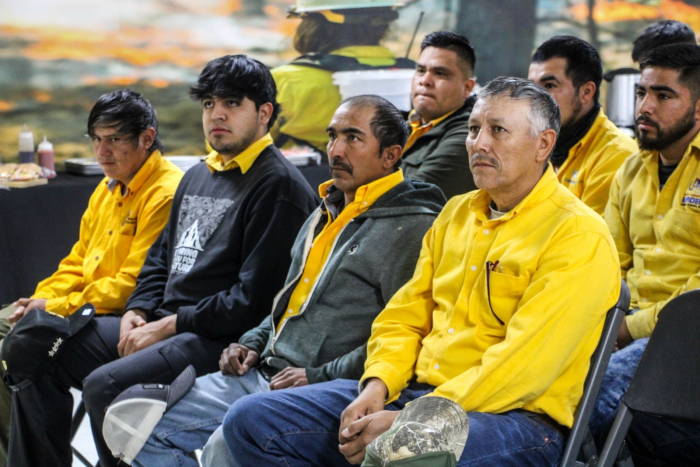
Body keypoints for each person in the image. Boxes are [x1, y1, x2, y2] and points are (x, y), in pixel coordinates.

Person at [220, 77, 622, 467]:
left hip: (515, 419)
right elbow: (404, 317)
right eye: (473, 129)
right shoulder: (456, 213)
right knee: (251, 420)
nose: (479, 144)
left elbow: (523, 369)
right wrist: (376, 385)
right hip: (414, 393)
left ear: (544, 144)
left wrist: (411, 419)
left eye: (498, 130)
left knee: (400, 450)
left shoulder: (577, 234)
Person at [7, 55, 318, 467]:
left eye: (231, 103)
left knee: (105, 388)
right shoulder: (199, 174)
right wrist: (137, 310)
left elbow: (253, 303)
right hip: (164, 322)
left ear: (264, 114)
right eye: (209, 104)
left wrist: (169, 325)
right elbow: (158, 261)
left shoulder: (278, 185)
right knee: (32, 346)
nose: (217, 115)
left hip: (215, 339)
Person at [123, 95, 446, 467]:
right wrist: (251, 341)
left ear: (390, 155)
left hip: (329, 387)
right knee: (134, 425)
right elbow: (289, 304)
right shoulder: (325, 211)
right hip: (265, 370)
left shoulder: (413, 227)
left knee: (223, 445)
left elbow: (407, 335)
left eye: (353, 138)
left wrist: (317, 375)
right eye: (332, 136)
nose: (336, 150)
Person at [0, 89, 184, 466]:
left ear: (147, 138)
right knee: (11, 330)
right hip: (90, 308)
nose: (102, 152)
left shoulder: (164, 192)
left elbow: (132, 286)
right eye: (97, 140)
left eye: (114, 139)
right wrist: (39, 301)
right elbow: (77, 261)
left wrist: (54, 307)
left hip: (134, 316)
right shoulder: (107, 186)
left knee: (26, 347)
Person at [590, 43, 700, 465]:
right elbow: (607, 261)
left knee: (592, 396)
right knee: (541, 375)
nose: (645, 107)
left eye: (663, 95)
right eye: (641, 92)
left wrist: (628, 328)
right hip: (621, 325)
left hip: (685, 334)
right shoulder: (632, 168)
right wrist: (605, 322)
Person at [272, 0, 414, 152]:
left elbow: (255, 148)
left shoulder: (283, 81)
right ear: (384, 22)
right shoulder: (419, 78)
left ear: (315, 25)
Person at [529, 35, 637, 215]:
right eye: (531, 87)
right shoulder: (532, 144)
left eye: (549, 85)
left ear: (586, 92)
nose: (534, 98)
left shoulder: (617, 156)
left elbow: (587, 232)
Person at [400, 31, 478, 199]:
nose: (425, 81)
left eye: (440, 73)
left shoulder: (470, 136)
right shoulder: (398, 121)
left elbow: (410, 195)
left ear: (467, 88)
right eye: (421, 70)